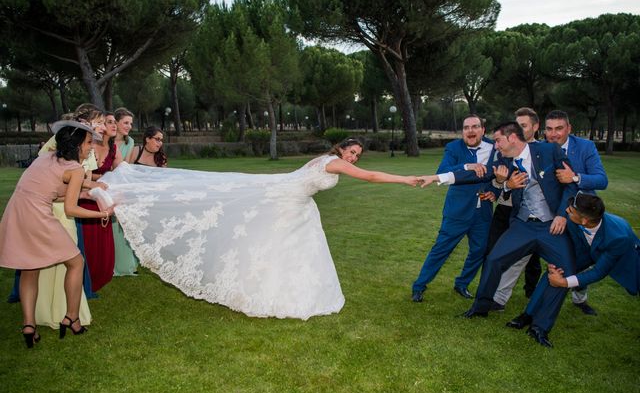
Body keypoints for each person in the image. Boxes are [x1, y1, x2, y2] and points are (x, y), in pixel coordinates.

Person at [93, 137, 422, 320]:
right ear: (340, 150)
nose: (353, 158)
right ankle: (124, 195)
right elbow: (371, 178)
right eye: (350, 152)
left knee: (277, 244)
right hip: (285, 199)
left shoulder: (323, 159)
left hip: (294, 201)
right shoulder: (331, 162)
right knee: (219, 204)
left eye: (357, 155)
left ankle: (271, 285)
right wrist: (406, 179)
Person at [421, 121, 578, 347]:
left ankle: (540, 327)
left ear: (512, 138)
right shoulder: (503, 161)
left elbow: (569, 184)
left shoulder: (548, 150)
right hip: (523, 225)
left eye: (497, 140)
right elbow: (480, 177)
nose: (495, 145)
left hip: (552, 224)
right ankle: (480, 307)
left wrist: (563, 214)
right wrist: (438, 178)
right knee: (493, 259)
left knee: (565, 271)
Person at [0, 121, 112, 348]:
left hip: (17, 212)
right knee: (76, 262)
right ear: (78, 144)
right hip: (38, 216)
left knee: (29, 268)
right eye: (89, 143)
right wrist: (103, 213)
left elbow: (53, 194)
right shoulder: (76, 169)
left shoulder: (45, 158)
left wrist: (88, 192)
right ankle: (72, 317)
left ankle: (29, 326)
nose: (91, 147)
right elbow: (70, 209)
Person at [518, 193, 639, 341]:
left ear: (585, 220)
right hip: (585, 250)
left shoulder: (619, 237)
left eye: (571, 211)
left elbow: (598, 272)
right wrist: (555, 259)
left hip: (624, 259)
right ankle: (528, 315)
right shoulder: (575, 218)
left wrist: (564, 283)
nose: (567, 211)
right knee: (557, 270)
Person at [411, 115, 498, 303]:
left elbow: (499, 173)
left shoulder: (495, 147)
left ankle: (462, 283)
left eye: (475, 127)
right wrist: (467, 166)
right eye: (466, 127)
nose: (471, 131)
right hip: (457, 211)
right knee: (441, 249)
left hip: (482, 212)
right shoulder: (453, 148)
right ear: (462, 131)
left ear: (483, 129)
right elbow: (442, 172)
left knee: (479, 251)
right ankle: (419, 286)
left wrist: (494, 193)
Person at [544, 110, 608, 315]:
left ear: (569, 129)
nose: (553, 134)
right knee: (556, 256)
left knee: (582, 258)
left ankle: (580, 299)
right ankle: (542, 293)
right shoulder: (541, 149)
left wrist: (575, 178)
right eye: (549, 129)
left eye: (559, 128)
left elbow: (601, 180)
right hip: (552, 214)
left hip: (581, 216)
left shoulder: (585, 147)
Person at [490, 107, 542, 309]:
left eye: (524, 125)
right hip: (506, 208)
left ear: (535, 127)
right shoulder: (504, 152)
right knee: (496, 250)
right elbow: (495, 178)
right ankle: (494, 292)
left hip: (533, 215)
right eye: (516, 125)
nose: (518, 130)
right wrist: (502, 184)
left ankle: (531, 291)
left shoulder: (543, 152)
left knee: (532, 258)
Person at [79, 111, 122, 292]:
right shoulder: (89, 146)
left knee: (102, 234)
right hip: (85, 196)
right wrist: (103, 178)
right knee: (88, 238)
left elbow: (121, 171)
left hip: (102, 197)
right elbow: (83, 173)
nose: (110, 126)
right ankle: (87, 275)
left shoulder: (114, 148)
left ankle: (101, 272)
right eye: (106, 122)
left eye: (111, 122)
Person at [112, 107, 139, 276]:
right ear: (116, 122)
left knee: (121, 224)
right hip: (102, 182)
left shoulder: (130, 143)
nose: (129, 126)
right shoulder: (104, 140)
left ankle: (125, 264)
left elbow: (126, 167)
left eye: (131, 123)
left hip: (120, 185)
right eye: (126, 122)